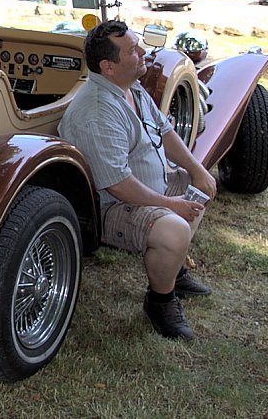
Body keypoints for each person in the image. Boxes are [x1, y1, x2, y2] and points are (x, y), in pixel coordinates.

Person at [58, 20, 216, 341]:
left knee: (201, 187)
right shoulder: (98, 110)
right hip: (112, 207)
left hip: (145, 188)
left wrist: (198, 169)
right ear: (108, 66)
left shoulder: (131, 87)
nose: (142, 52)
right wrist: (171, 204)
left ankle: (173, 270)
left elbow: (165, 132)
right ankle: (161, 301)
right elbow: (117, 184)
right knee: (174, 229)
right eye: (132, 50)